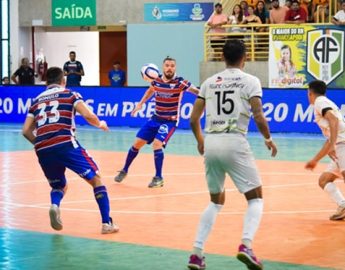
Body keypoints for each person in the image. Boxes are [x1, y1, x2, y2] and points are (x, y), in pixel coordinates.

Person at [187, 39, 277, 270]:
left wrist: (201, 142)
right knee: (255, 197)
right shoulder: (250, 81)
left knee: (216, 201)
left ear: (222, 57)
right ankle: (246, 245)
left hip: (212, 142)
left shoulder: (208, 82)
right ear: (244, 57)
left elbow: (193, 119)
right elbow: (258, 115)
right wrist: (268, 138)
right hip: (234, 140)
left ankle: (196, 253)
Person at [22, 67, 119, 234]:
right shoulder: (70, 94)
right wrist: (100, 124)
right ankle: (106, 223)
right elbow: (88, 114)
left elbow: (25, 131)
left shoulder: (36, 101)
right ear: (63, 81)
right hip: (65, 143)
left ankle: (54, 205)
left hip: (42, 149)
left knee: (59, 186)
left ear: (46, 82)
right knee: (96, 179)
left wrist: (40, 143)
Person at [114, 57, 199, 188]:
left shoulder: (181, 82)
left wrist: (207, 97)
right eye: (167, 65)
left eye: (172, 66)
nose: (169, 68)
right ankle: (124, 170)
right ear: (163, 67)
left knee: (157, 144)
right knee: (137, 143)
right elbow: (150, 91)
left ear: (175, 68)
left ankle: (158, 177)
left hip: (170, 121)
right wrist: (140, 104)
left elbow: (196, 91)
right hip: (155, 118)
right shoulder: (156, 81)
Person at [305, 80, 345, 221]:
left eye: (308, 93)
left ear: (310, 93)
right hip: (339, 145)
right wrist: (315, 160)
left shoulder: (319, 102)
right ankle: (343, 205)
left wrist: (333, 144)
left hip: (343, 145)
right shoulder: (324, 102)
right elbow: (330, 138)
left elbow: (333, 120)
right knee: (324, 180)